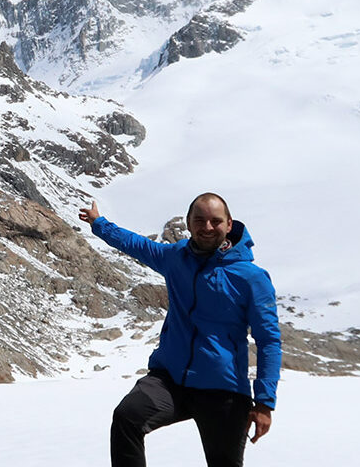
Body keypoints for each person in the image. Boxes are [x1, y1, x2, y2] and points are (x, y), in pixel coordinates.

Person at [78, 193, 280, 467]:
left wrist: (265, 402)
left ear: (229, 224)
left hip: (223, 389)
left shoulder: (251, 278)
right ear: (188, 223)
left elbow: (268, 341)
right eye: (199, 220)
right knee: (127, 417)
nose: (207, 227)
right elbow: (137, 245)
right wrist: (99, 223)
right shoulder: (176, 258)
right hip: (170, 380)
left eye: (215, 221)